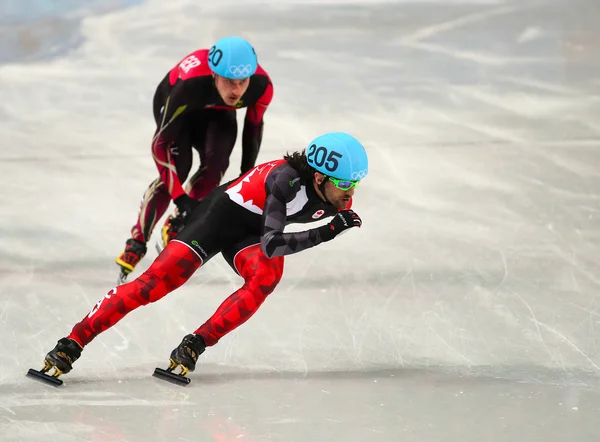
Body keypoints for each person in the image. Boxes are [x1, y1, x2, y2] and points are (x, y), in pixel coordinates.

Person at [38, 132, 368, 381]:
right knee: (155, 285)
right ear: (319, 176)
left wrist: (330, 225)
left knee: (266, 278)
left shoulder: (337, 197)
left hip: (252, 233)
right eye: (344, 183)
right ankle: (72, 343)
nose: (350, 192)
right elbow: (272, 244)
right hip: (218, 217)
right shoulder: (285, 182)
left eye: (355, 183)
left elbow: (269, 244)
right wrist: (328, 231)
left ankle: (194, 344)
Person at [115, 35, 274, 283]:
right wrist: (181, 198)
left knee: (217, 164)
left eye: (243, 82)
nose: (236, 90)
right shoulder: (190, 84)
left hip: (218, 113)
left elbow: (252, 130)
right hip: (180, 106)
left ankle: (178, 220)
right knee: (178, 168)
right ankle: (137, 240)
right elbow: (160, 145)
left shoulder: (262, 86)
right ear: (214, 75)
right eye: (229, 82)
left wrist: (247, 175)